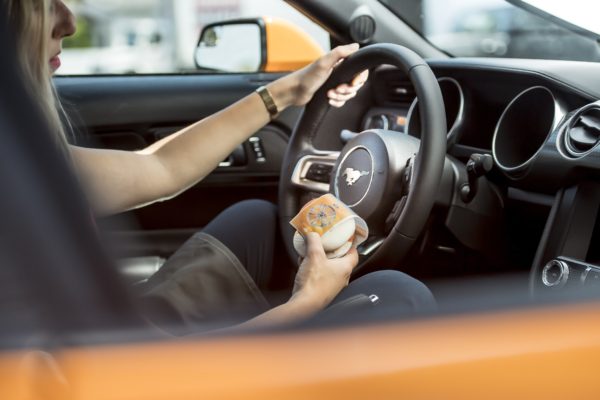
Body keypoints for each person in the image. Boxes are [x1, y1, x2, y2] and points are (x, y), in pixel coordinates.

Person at [6, 0, 436, 333]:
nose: (67, 21)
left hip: (113, 327)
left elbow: (160, 166)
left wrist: (289, 91)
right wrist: (306, 302)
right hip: (128, 368)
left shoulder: (19, 159)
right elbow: (157, 377)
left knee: (257, 222)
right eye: (40, 6)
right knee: (401, 295)